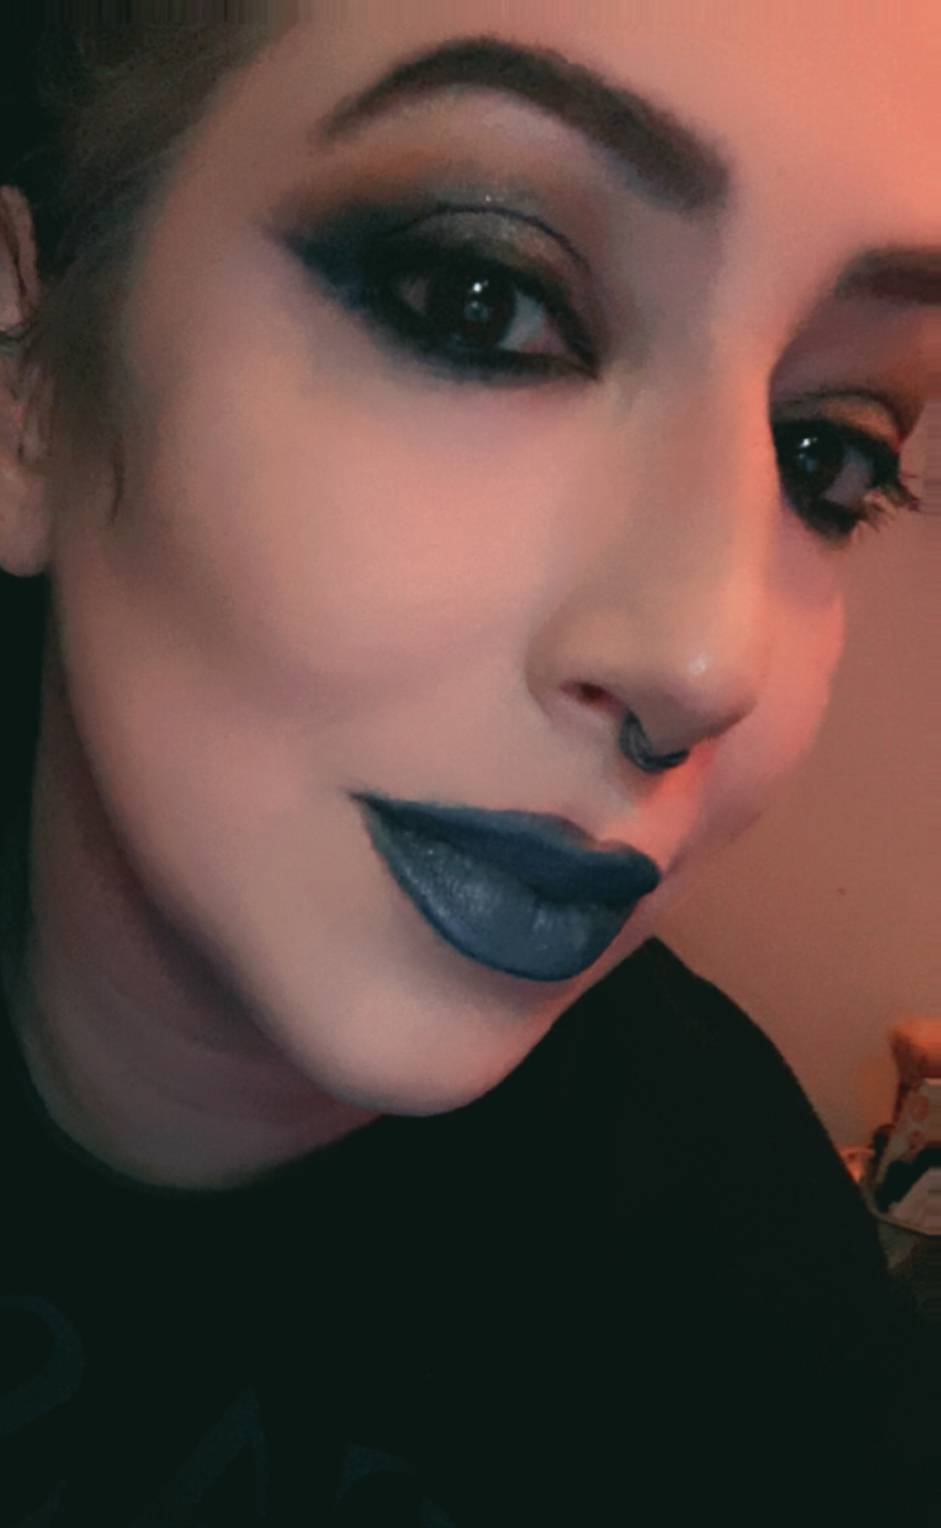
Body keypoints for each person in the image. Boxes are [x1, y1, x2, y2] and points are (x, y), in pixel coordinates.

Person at [0, 4, 936, 1523]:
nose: (707, 664)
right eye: (480, 302)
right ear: (29, 384)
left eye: (827, 454)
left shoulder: (739, 1301)